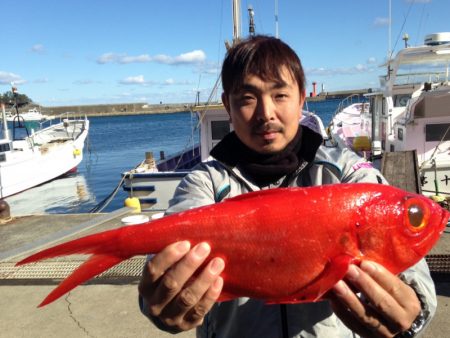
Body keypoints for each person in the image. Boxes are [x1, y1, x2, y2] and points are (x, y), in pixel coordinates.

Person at [138, 35, 436, 337]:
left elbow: (410, 268)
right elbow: (164, 256)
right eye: (247, 98)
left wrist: (414, 311)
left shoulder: (346, 172)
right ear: (227, 104)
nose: (266, 113)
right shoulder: (204, 182)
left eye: (280, 95)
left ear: (301, 98)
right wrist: (159, 304)